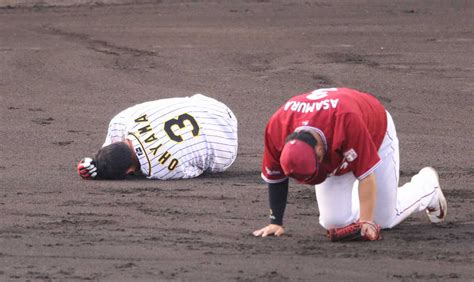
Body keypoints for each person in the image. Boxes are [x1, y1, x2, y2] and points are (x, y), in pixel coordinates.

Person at [252, 87, 447, 241]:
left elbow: (367, 175)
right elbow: (276, 178)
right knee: (334, 222)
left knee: (384, 219)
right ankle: (365, 201)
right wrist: (276, 222)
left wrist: (367, 221)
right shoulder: (276, 129)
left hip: (374, 133)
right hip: (339, 143)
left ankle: (428, 186)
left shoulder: (346, 122)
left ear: (320, 151)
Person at [77, 94, 238, 180]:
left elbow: (197, 171)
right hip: (211, 105)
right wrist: (94, 163)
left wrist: (95, 171)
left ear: (130, 171)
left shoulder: (161, 170)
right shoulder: (121, 121)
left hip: (227, 144)